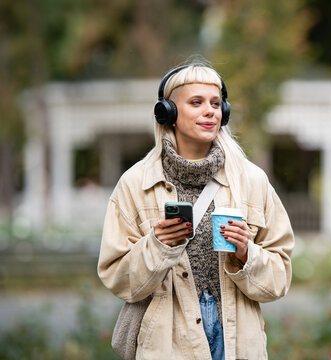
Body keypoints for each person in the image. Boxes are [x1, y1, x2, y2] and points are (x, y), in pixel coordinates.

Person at [97, 60, 294, 360]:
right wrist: (156, 246)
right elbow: (117, 279)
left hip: (237, 339)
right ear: (169, 113)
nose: (210, 111)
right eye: (196, 102)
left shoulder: (253, 181)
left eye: (216, 103)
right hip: (167, 340)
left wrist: (246, 253)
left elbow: (279, 279)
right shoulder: (135, 184)